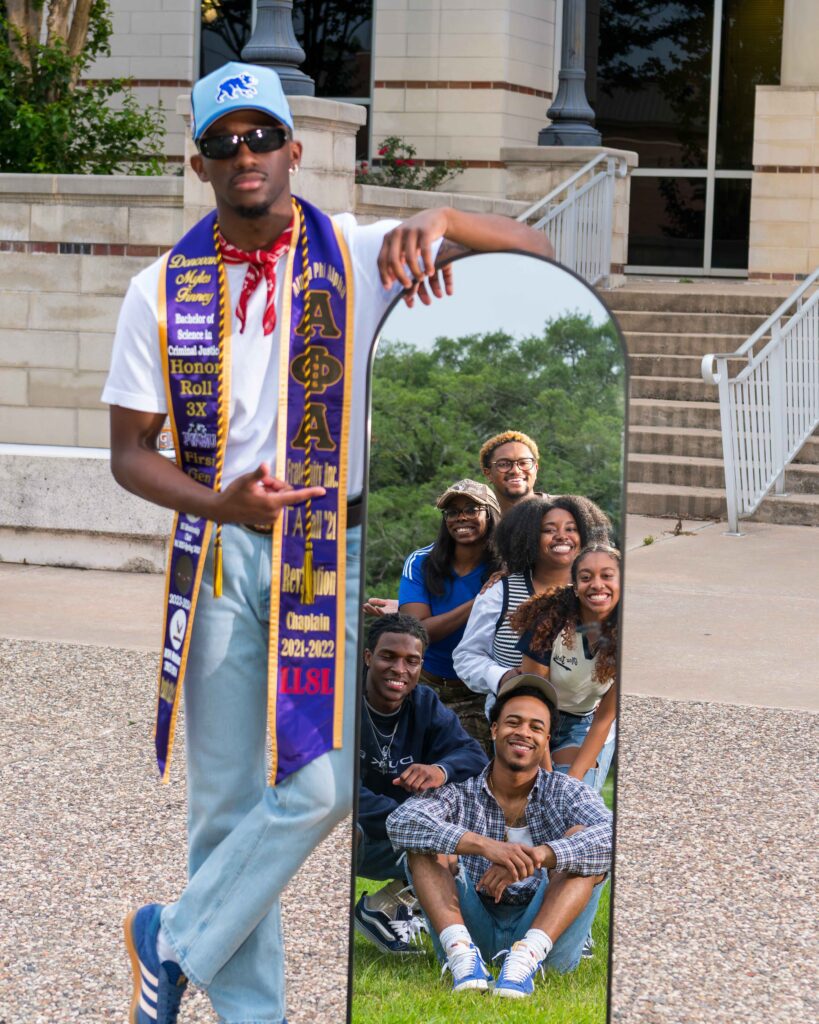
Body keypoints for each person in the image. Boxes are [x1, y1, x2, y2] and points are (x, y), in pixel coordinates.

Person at [104, 60, 552, 1024]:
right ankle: (249, 1011)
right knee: (222, 807)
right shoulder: (158, 290)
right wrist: (218, 504)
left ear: (293, 150)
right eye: (222, 144)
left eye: (261, 136)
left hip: (324, 561)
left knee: (320, 785)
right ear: (199, 163)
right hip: (222, 555)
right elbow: (129, 456)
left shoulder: (356, 252)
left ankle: (171, 938)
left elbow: (535, 243)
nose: (245, 155)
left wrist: (446, 224)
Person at [386, 675, 611, 997]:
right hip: (472, 925)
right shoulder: (460, 793)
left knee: (583, 839)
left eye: (536, 727)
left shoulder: (566, 791)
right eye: (513, 722)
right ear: (494, 730)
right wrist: (488, 847)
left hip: (544, 930)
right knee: (424, 843)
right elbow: (401, 821)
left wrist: (538, 856)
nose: (523, 733)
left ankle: (524, 959)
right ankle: (462, 957)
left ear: (547, 739)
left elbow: (613, 837)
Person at [354, 613, 487, 953]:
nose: (400, 669)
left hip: (403, 837)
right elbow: (340, 791)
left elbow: (473, 756)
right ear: (368, 657)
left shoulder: (424, 703)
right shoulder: (341, 702)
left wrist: (439, 770)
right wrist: (415, 822)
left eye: (411, 661)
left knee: (475, 824)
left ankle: (386, 906)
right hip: (356, 832)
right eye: (388, 657)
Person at [453, 495, 611, 707]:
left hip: (584, 717)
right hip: (517, 711)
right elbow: (466, 656)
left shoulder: (601, 592)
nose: (561, 536)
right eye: (549, 530)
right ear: (527, 537)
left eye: (571, 529)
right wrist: (502, 677)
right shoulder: (500, 592)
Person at [397, 479, 501, 751]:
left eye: (472, 509)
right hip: (425, 685)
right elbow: (417, 632)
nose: (461, 517)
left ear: (490, 514)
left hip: (478, 692)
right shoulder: (420, 561)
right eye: (452, 512)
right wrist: (481, 601)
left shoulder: (506, 567)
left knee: (472, 775)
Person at [509, 543, 620, 794]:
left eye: (607, 576)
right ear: (576, 585)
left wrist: (570, 784)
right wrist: (547, 777)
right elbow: (532, 702)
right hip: (527, 716)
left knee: (574, 796)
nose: (597, 584)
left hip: (580, 722)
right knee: (533, 795)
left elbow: (604, 717)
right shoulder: (551, 622)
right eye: (586, 577)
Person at [479, 430, 549, 515]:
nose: (515, 470)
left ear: (536, 468)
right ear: (488, 473)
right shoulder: (479, 518)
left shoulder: (560, 510)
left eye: (523, 463)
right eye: (504, 464)